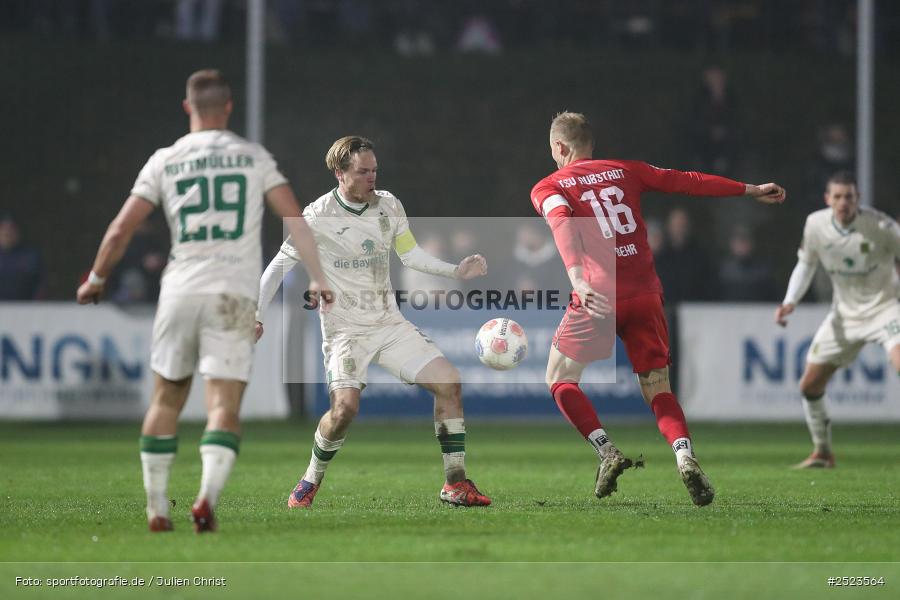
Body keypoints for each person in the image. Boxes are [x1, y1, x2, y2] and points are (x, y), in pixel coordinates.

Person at [76, 69, 330, 533]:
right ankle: (205, 500)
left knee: (166, 398)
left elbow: (120, 229)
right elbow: (295, 220)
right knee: (223, 406)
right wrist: (317, 276)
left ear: (188, 107)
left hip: (179, 289)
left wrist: (96, 278)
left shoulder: (165, 160)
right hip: (232, 292)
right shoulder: (252, 158)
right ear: (229, 108)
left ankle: (156, 509)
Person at [531, 112, 785, 506]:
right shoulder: (626, 170)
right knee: (657, 387)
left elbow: (561, 224)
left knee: (559, 379)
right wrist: (750, 189)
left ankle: (607, 452)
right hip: (645, 293)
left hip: (597, 293)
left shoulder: (549, 186)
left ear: (560, 148)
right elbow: (689, 181)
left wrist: (578, 278)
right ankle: (684, 455)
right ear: (590, 144)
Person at [256, 135, 492, 508]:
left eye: (375, 170)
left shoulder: (389, 205)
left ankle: (455, 484)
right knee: (344, 410)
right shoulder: (317, 216)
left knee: (449, 382)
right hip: (345, 332)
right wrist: (257, 317)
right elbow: (276, 269)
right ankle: (310, 479)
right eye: (363, 172)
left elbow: (410, 255)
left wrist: (455, 270)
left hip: (389, 324)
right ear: (340, 174)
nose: (372, 178)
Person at [775, 171, 900, 469]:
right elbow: (805, 265)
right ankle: (823, 452)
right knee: (809, 385)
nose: (844, 202)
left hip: (885, 309)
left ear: (858, 199)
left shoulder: (881, 226)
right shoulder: (815, 225)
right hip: (844, 315)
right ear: (828, 199)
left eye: (849, 196)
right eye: (838, 196)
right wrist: (790, 300)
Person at [0, 214, 45, 300]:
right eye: (3, 229)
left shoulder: (30, 256)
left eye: (11, 229)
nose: (7, 233)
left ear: (18, 232)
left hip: (25, 308)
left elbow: (40, 285)